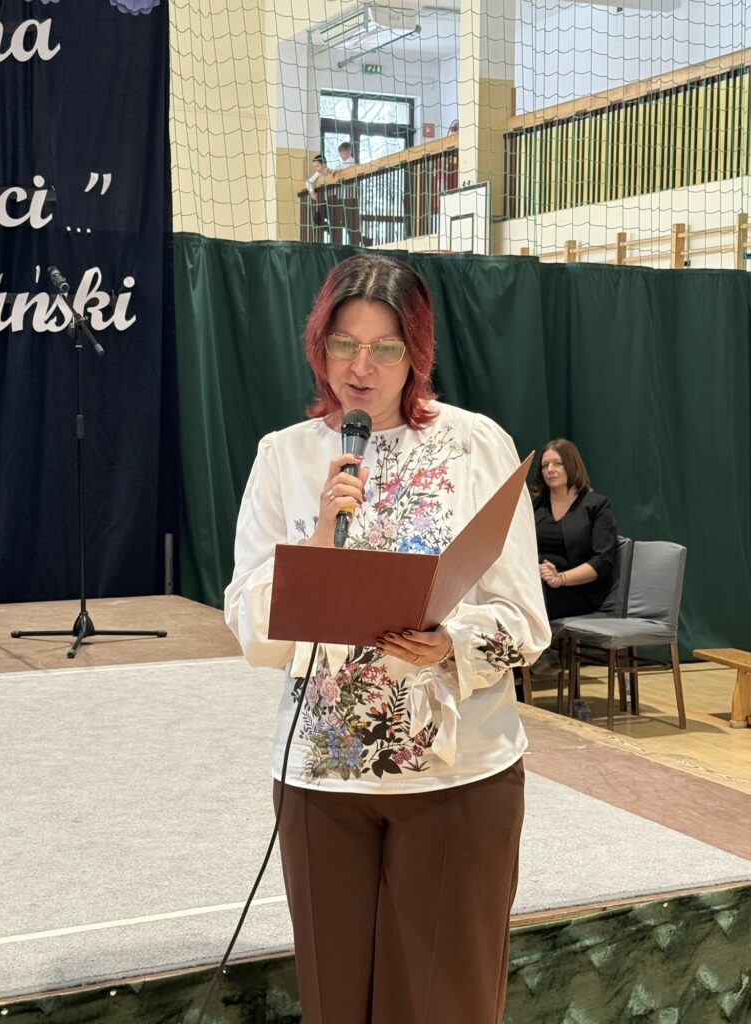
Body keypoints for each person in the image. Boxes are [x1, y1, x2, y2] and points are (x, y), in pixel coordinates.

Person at [224, 254, 550, 1024]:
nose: (361, 367)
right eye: (344, 343)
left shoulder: (475, 444)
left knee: (446, 1003)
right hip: (322, 777)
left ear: (417, 353)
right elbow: (251, 628)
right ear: (320, 346)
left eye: (385, 347)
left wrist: (452, 642)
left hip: (457, 778)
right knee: (334, 1002)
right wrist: (322, 537)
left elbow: (525, 624)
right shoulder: (285, 455)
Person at [531, 438, 617, 621]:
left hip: (576, 590)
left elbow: (602, 561)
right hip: (535, 581)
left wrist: (560, 578)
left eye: (558, 463)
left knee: (528, 598)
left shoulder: (597, 505)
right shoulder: (535, 506)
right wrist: (533, 568)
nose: (550, 470)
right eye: (545, 465)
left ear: (572, 466)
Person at [305, 153, 330, 229]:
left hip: (332, 199)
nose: (316, 169)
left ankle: (326, 226)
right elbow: (308, 182)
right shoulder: (317, 174)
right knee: (317, 217)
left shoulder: (329, 171)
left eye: (317, 166)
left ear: (324, 164)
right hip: (323, 201)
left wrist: (329, 171)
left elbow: (334, 172)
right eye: (315, 167)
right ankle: (323, 225)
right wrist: (312, 192)